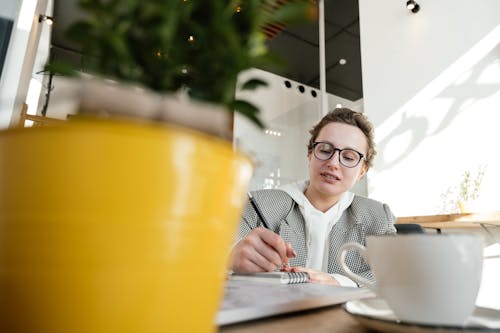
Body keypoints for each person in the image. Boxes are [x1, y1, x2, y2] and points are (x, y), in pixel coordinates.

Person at [230, 107, 396, 286]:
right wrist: (229, 259)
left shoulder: (378, 216)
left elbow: (396, 274)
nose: (333, 163)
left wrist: (338, 282)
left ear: (362, 170)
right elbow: (212, 256)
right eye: (325, 150)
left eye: (348, 157)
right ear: (310, 154)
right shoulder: (258, 205)